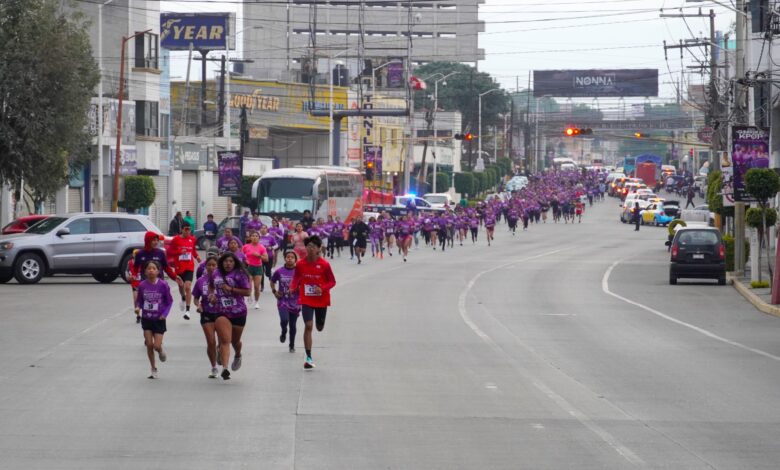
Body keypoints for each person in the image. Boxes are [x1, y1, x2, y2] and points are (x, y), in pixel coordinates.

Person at [291, 236, 336, 369]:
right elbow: (296, 278)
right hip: (306, 298)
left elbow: (332, 281)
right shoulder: (300, 264)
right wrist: (293, 287)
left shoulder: (324, 264)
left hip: (321, 300)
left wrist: (322, 288)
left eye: (313, 246)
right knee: (308, 326)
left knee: (319, 327)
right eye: (308, 246)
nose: (310, 249)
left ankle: (319, 324)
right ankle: (308, 357)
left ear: (318, 249)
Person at [214, 252, 252, 380]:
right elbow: (211, 286)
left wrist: (232, 289)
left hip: (238, 311)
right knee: (225, 340)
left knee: (235, 341)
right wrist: (212, 295)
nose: (228, 264)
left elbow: (248, 292)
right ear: (221, 262)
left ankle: (238, 355)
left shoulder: (240, 274)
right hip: (221, 311)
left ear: (235, 263)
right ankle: (225, 369)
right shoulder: (216, 273)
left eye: (231, 261)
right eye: (225, 261)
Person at [135, 260, 173, 379]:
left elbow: (169, 301)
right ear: (145, 272)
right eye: (149, 268)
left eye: (153, 268)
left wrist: (165, 314)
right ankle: (153, 368)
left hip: (159, 319)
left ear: (158, 271)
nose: (151, 270)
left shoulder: (163, 285)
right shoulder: (142, 285)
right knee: (149, 344)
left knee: (156, 346)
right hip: (147, 318)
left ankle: (160, 350)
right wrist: (138, 307)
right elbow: (139, 300)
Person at [192, 256, 221, 378]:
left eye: (214, 265)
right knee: (211, 341)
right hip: (206, 313)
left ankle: (220, 351)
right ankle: (214, 367)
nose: (211, 267)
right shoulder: (200, 281)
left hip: (221, 313)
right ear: (205, 267)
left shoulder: (223, 279)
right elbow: (195, 298)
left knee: (222, 341)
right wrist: (198, 305)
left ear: (218, 266)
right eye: (209, 265)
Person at [270, 251, 301, 353]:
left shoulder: (299, 271)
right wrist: (274, 291)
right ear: (285, 258)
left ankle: (292, 345)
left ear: (295, 260)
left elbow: (303, 284)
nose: (290, 259)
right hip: (282, 300)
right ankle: (284, 331)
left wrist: (298, 288)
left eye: (292, 257)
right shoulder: (279, 271)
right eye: (288, 257)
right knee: (284, 320)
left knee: (293, 325)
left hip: (295, 301)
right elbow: (272, 281)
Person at [170, 222, 201, 319]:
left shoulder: (192, 239)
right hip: (179, 267)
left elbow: (193, 251)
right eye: (186, 229)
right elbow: (169, 252)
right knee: (181, 286)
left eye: (189, 229)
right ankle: (183, 297)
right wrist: (179, 252)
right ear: (182, 229)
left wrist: (197, 257)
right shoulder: (176, 239)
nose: (188, 231)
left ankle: (187, 311)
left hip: (189, 267)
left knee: (187, 287)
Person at [242, 231, 269, 309]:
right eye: (253, 236)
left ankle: (256, 302)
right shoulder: (246, 246)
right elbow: (241, 256)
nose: (254, 237)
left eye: (256, 236)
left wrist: (259, 256)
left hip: (258, 267)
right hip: (248, 267)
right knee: (249, 285)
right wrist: (245, 260)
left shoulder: (261, 247)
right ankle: (250, 295)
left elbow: (266, 259)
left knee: (257, 287)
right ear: (250, 237)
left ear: (259, 238)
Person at [126, 249, 142, 323]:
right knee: (136, 300)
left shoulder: (143, 262)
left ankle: (146, 315)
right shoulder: (130, 262)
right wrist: (128, 277)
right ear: (133, 255)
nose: (137, 255)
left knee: (145, 300)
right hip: (135, 284)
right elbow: (126, 272)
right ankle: (138, 316)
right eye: (135, 254)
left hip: (143, 284)